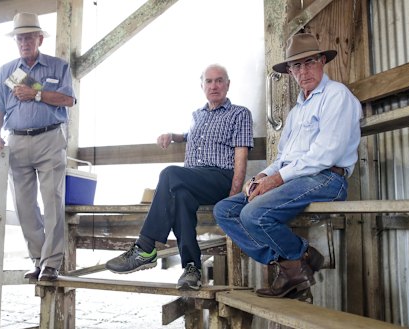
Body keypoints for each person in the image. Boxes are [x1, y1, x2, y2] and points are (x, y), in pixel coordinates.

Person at [213, 33, 362, 298]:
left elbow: (325, 155)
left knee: (253, 214)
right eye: (296, 66)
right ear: (290, 72)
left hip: (328, 178)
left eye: (309, 62)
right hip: (297, 179)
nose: (303, 71)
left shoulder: (336, 96)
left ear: (322, 62)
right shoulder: (297, 111)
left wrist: (277, 180)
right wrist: (262, 175)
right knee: (225, 210)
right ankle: (296, 263)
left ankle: (298, 260)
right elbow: (283, 157)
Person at [105, 64, 254, 290]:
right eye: (209, 81)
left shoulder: (239, 114)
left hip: (219, 179)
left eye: (219, 80)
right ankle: (192, 268)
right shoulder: (198, 115)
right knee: (181, 196)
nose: (214, 86)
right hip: (193, 182)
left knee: (169, 173)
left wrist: (232, 198)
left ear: (228, 85)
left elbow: (240, 160)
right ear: (202, 85)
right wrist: (173, 136)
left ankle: (145, 247)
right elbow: (193, 136)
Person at [0, 12, 76, 281]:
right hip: (16, 140)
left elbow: (68, 100)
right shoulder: (6, 71)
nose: (24, 42)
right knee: (24, 206)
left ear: (40, 39)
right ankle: (38, 259)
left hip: (50, 139)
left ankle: (51, 263)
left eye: (28, 37)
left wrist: (36, 93)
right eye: (19, 38)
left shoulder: (58, 67)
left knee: (52, 200)